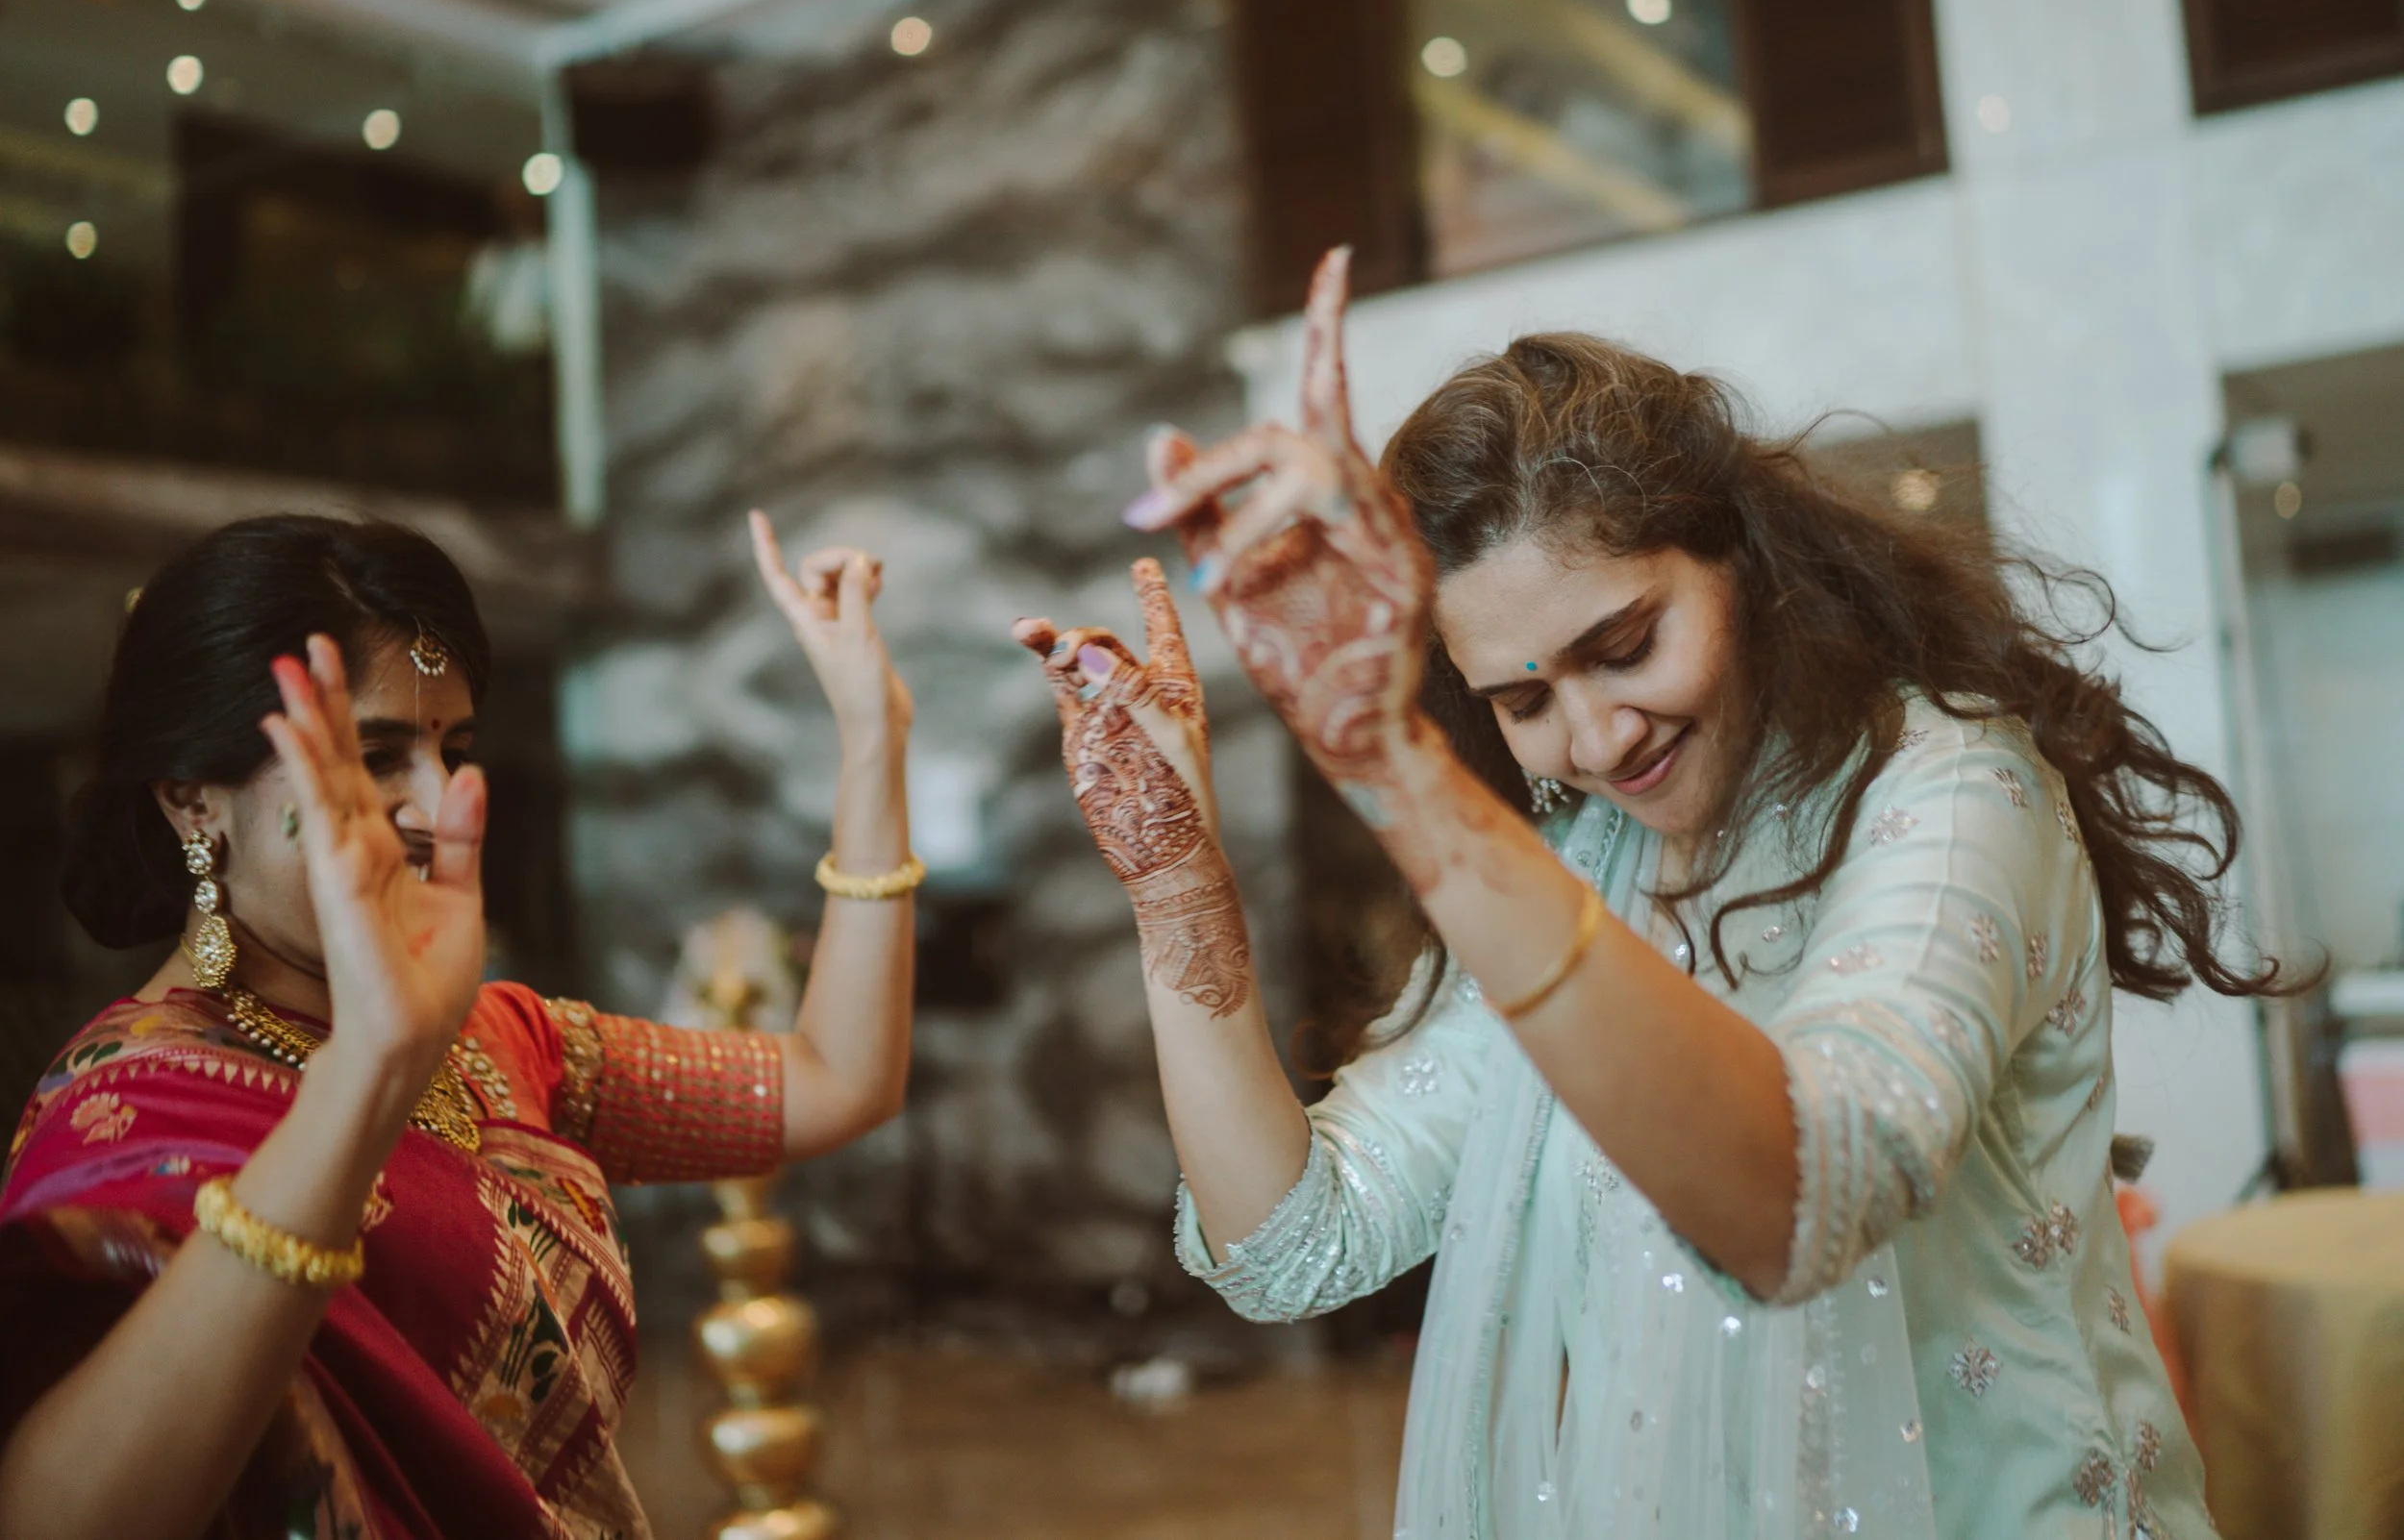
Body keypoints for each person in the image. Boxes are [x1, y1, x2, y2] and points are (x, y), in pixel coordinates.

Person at [1018, 248, 2292, 1537]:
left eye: (1624, 646)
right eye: (1522, 699)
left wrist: (1396, 772)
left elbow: (1810, 1196)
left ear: (1740, 563)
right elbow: (1302, 1242)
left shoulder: (1953, 787)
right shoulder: (1579, 859)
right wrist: (1178, 879)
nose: (1596, 735)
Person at [0, 510, 918, 1539]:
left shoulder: (491, 1038)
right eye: (378, 757)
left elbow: (840, 1078)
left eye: (456, 748)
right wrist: (369, 1074)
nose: (438, 804)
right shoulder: (128, 1111)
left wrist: (873, 737)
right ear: (190, 798)